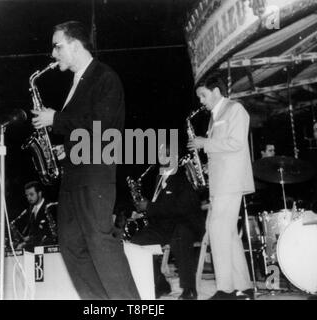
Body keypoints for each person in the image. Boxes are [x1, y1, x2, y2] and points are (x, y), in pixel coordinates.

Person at [31, 21, 140, 300]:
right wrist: (69, 149)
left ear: (76, 45)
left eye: (58, 46)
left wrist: (56, 119)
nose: (53, 54)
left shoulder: (104, 77)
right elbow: (86, 128)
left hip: (95, 175)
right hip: (75, 174)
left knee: (100, 242)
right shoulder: (78, 80)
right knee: (71, 246)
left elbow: (103, 126)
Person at [187, 72, 255, 300]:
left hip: (230, 182)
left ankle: (225, 290)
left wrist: (205, 143)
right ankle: (245, 288)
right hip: (220, 182)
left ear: (216, 91)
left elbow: (236, 143)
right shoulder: (214, 117)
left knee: (217, 231)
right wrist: (209, 166)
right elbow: (223, 149)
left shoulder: (235, 110)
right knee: (228, 235)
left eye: (203, 96)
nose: (201, 101)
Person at [130, 144, 205, 300]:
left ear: (175, 158)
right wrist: (143, 209)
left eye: (167, 154)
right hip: (164, 226)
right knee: (136, 242)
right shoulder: (159, 178)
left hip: (185, 224)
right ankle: (160, 283)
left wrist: (150, 207)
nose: (162, 157)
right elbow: (161, 207)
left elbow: (182, 207)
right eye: (160, 154)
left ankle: (189, 288)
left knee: (180, 235)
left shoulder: (183, 177)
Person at [11, 181, 57, 250]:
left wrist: (30, 239)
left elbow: (51, 233)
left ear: (39, 193)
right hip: (35, 247)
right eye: (27, 195)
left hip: (48, 247)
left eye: (31, 194)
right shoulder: (29, 210)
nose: (29, 198)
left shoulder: (50, 207)